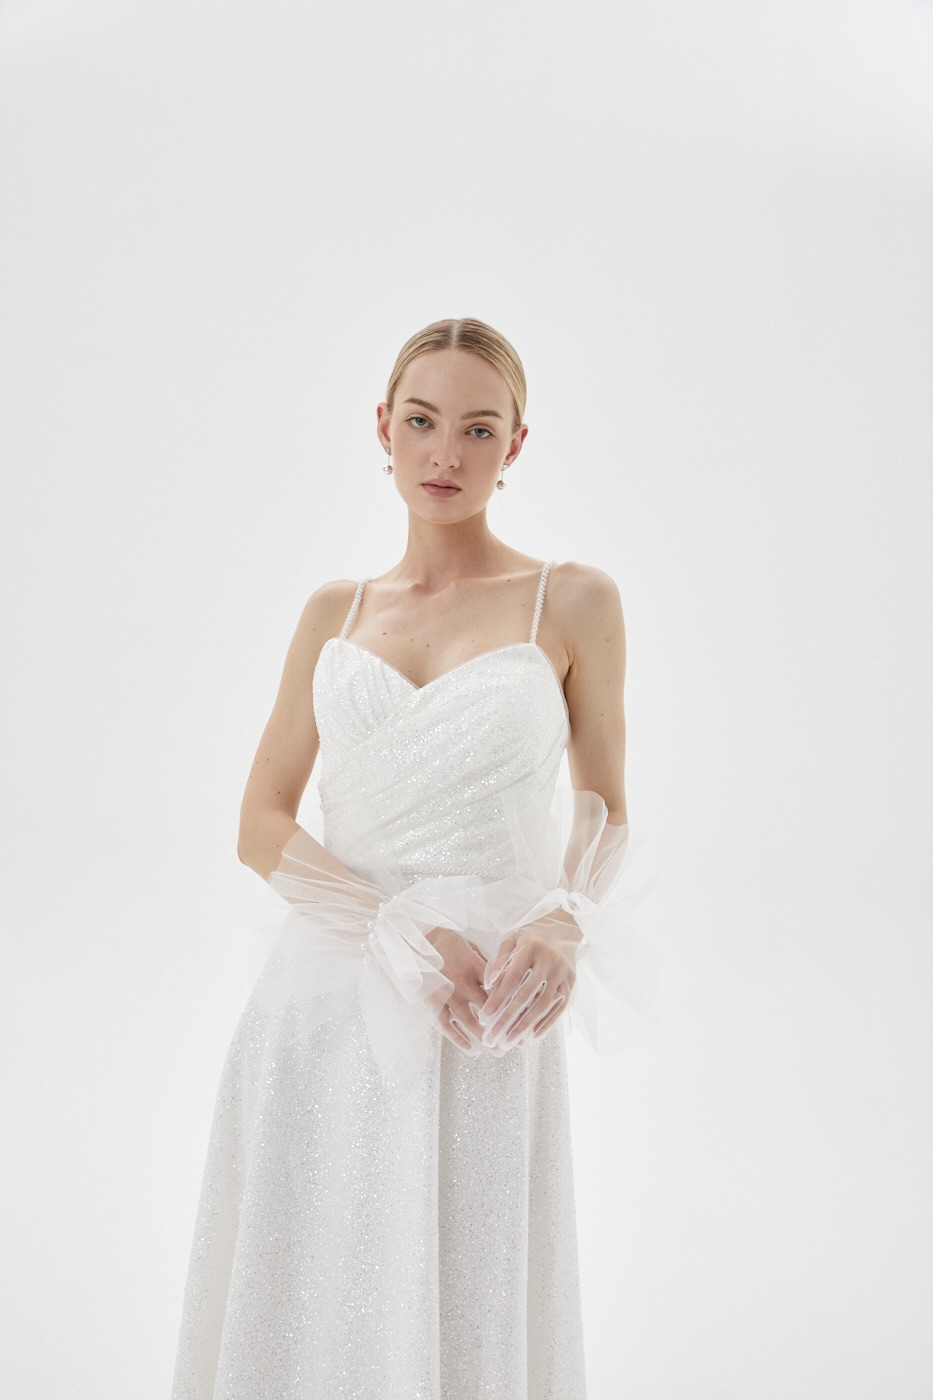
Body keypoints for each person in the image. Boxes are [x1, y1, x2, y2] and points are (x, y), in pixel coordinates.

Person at [170, 317, 633, 1400]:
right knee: (311, 1280)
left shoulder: (571, 600)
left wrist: (566, 915)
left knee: (468, 1288)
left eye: (478, 429)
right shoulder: (335, 611)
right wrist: (385, 924)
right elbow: (261, 823)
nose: (445, 454)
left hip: (486, 1000)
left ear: (516, 445)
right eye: (422, 421)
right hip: (327, 996)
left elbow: (607, 803)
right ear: (382, 426)